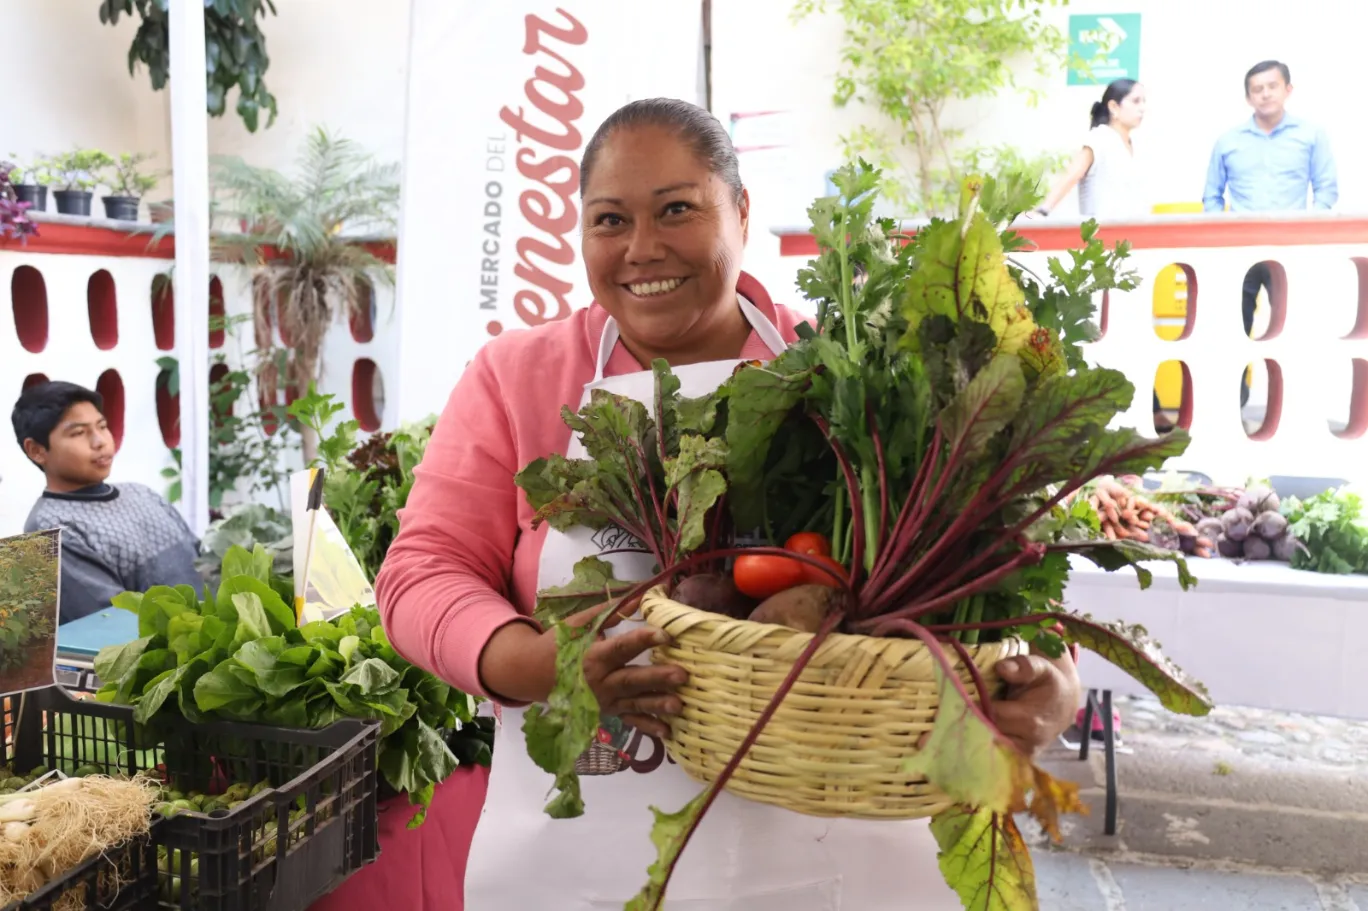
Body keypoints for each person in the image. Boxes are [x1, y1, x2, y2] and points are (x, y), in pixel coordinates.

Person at [376, 98, 1081, 911]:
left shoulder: (848, 373)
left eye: (677, 208)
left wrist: (1051, 676)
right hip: (590, 867)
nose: (643, 248)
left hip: (845, 856)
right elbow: (422, 571)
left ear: (741, 212)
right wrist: (535, 665)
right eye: (610, 220)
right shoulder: (516, 377)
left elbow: (996, 562)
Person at [11, 381, 201, 624]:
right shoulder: (49, 530)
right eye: (79, 433)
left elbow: (201, 563)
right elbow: (114, 623)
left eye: (102, 426)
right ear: (36, 450)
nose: (99, 441)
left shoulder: (141, 493)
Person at [1203, 60, 1335, 404]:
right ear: (1248, 98)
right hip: (1238, 252)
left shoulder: (1311, 135)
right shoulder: (1228, 140)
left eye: (1271, 86)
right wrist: (1223, 235)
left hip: (1291, 252)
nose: (1265, 94)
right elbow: (1211, 197)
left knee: (1294, 329)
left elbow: (1326, 190)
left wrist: (1307, 234)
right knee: (1234, 330)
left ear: (1287, 90)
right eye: (1257, 89)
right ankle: (1235, 401)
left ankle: (1293, 403)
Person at [1035, 79, 1147, 219]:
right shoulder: (1098, 139)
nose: (1142, 108)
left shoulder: (1138, 145)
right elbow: (1070, 177)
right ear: (1114, 107)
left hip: (1133, 233)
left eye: (1144, 101)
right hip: (1099, 234)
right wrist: (1043, 211)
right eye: (1136, 101)